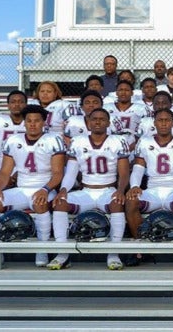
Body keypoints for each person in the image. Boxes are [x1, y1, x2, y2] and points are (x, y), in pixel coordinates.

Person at [0, 105, 66, 268]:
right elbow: (5, 172)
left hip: (44, 187)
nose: (32, 124)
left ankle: (43, 249)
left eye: (37, 121)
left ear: (43, 122)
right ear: (24, 123)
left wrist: (45, 189)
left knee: (40, 203)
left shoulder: (53, 140)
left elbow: (58, 174)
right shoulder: (13, 140)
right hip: (21, 188)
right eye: (29, 121)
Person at [49, 108, 131, 270]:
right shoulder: (78, 141)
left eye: (102, 119)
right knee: (60, 203)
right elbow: (71, 172)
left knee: (117, 203)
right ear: (89, 122)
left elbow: (124, 173)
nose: (98, 122)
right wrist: (64, 189)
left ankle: (114, 254)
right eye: (94, 119)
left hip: (108, 190)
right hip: (85, 191)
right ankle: (62, 254)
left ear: (108, 123)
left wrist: (120, 190)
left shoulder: (118, 141)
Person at [125, 109, 173, 266]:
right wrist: (135, 186)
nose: (163, 123)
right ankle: (140, 247)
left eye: (167, 120)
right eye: (160, 120)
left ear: (172, 123)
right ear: (154, 123)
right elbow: (138, 168)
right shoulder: (144, 141)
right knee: (131, 201)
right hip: (153, 190)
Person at [103, 80, 152, 149]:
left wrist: (136, 144)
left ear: (132, 93)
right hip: (110, 144)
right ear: (116, 93)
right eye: (121, 90)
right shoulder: (106, 107)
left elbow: (148, 129)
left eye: (127, 90)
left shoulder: (142, 108)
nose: (123, 92)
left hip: (135, 143)